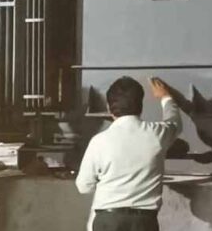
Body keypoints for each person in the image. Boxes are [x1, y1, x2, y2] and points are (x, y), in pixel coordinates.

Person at [76, 76, 182, 231]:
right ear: (140, 105)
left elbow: (84, 186)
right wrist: (166, 97)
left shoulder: (99, 141)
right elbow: (174, 123)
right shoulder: (157, 134)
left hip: (108, 221)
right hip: (144, 222)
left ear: (109, 107)